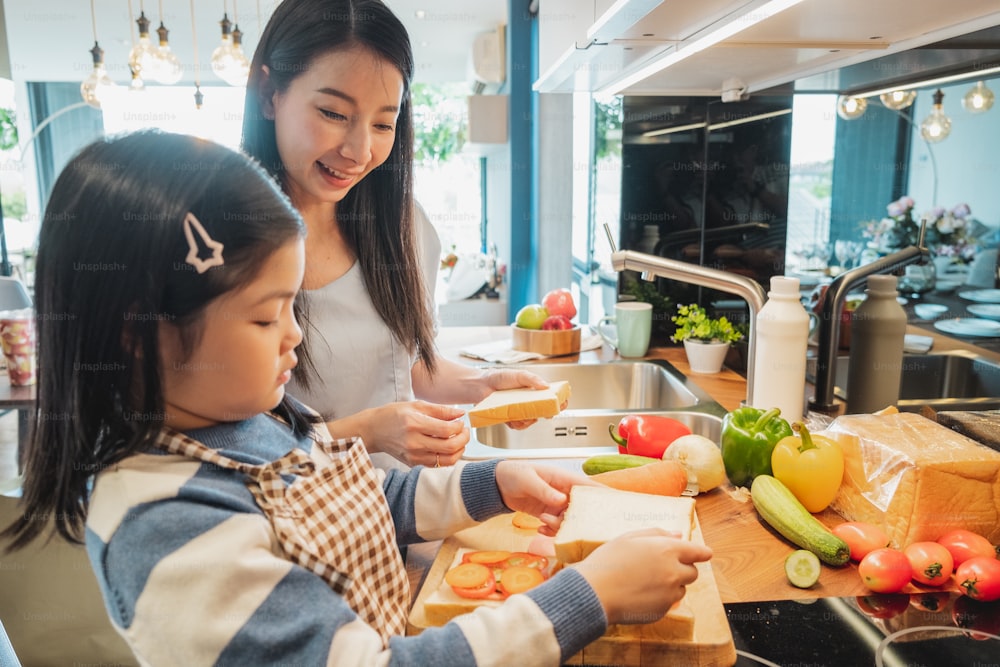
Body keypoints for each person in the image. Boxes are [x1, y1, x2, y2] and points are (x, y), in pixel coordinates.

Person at [1, 130, 712, 665]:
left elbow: (367, 496)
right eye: (263, 315)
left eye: (293, 308)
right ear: (138, 334)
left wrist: (490, 483)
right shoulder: (163, 525)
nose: (291, 338)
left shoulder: (252, 416)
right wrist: (587, 597)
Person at [241, 0, 547, 469]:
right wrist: (365, 433)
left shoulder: (405, 227)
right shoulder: (224, 241)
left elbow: (404, 367)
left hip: (406, 514)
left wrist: (483, 385)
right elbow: (221, 445)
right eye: (333, 113)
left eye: (384, 123)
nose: (359, 151)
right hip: (296, 526)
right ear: (269, 93)